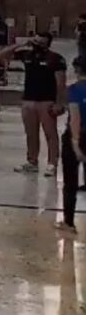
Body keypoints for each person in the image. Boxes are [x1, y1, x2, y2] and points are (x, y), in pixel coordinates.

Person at [4, 33, 67, 177]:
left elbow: (61, 83)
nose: (37, 44)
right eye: (36, 41)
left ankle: (52, 164)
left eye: (41, 42)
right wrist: (21, 44)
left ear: (47, 44)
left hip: (47, 101)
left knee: (50, 134)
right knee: (31, 133)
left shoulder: (55, 59)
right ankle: (32, 162)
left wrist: (59, 103)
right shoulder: (27, 55)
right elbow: (3, 55)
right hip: (28, 99)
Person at [59, 57, 86, 232]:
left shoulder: (75, 90)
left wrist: (76, 144)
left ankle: (69, 222)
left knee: (71, 181)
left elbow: (75, 118)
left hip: (79, 137)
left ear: (77, 70)